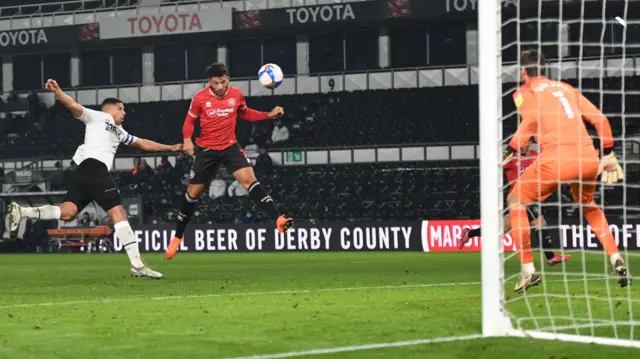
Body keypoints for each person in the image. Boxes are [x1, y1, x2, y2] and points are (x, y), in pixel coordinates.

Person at [8, 79, 182, 278]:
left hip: (83, 172)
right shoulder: (97, 117)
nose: (124, 113)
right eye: (121, 109)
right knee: (119, 213)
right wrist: (58, 91)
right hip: (95, 168)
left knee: (67, 213)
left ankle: (23, 211)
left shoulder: (119, 132)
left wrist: (170, 148)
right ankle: (137, 265)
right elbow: (72, 106)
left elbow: (142, 143)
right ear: (110, 109)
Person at [505, 50, 627, 293]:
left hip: (556, 160)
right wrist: (609, 154)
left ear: (523, 71)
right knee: (589, 205)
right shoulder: (566, 88)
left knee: (515, 200)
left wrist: (512, 147)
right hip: (588, 159)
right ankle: (616, 258)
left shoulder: (522, 92)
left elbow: (530, 120)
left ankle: (528, 269)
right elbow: (601, 120)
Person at [165, 63, 294, 260]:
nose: (220, 87)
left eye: (223, 82)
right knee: (192, 194)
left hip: (229, 146)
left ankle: (278, 218)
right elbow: (189, 121)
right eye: (216, 83)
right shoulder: (200, 98)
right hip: (206, 150)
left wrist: (267, 115)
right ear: (209, 82)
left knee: (249, 179)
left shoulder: (236, 95)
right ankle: (177, 237)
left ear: (228, 79)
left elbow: (245, 113)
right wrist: (187, 139)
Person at [460, 140, 572, 267]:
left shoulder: (536, 156)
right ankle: (550, 257)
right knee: (540, 222)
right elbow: (493, 165)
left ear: (530, 143)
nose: (521, 147)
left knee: (500, 229)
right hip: (518, 198)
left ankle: (469, 233)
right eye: (519, 144)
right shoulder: (511, 159)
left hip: (530, 197)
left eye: (524, 143)